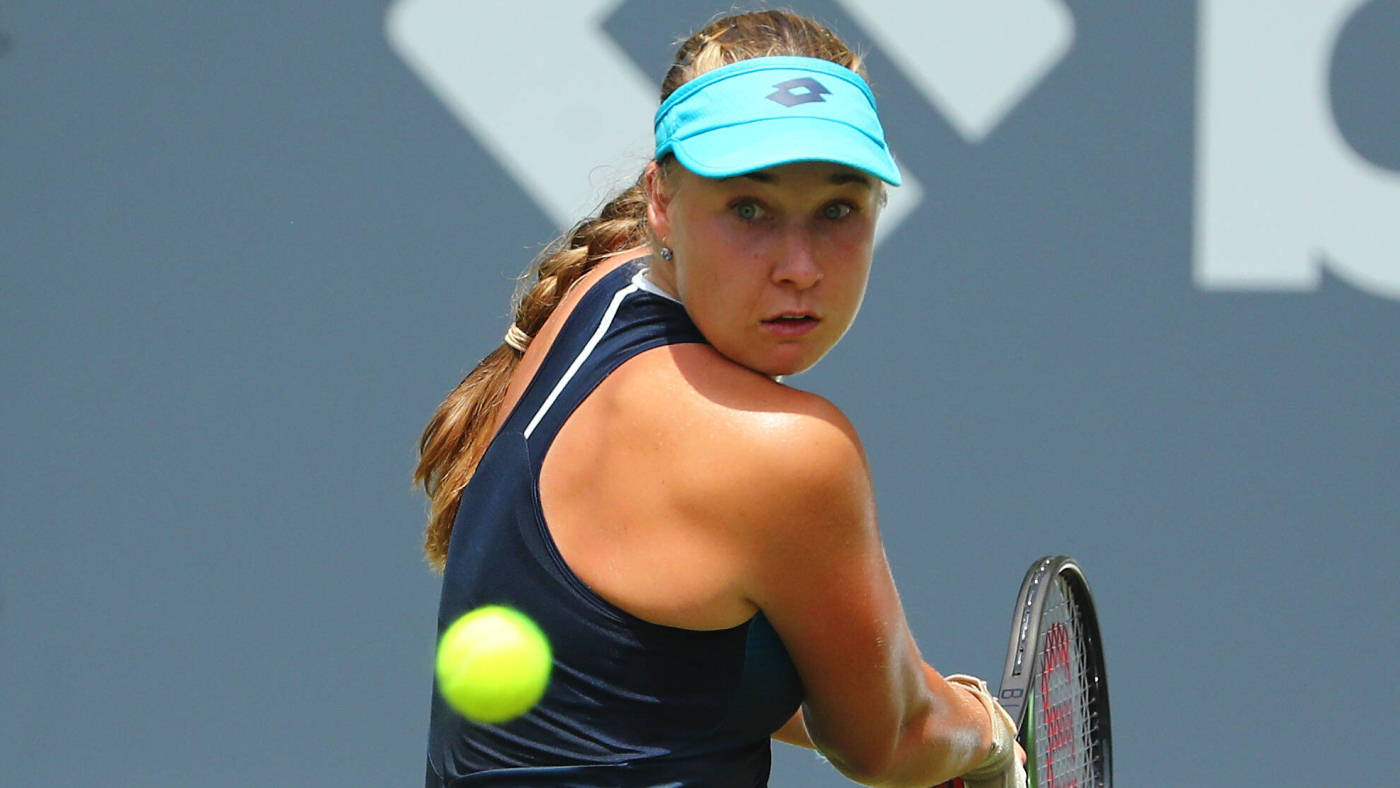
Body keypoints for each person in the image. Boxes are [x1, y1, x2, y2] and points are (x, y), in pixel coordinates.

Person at [415, 10, 1026, 788]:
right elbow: (891, 741)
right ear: (661, 200)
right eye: (749, 209)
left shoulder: (601, 286)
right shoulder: (780, 451)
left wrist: (931, 719)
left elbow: (677, 668)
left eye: (837, 209)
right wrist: (988, 734)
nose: (799, 266)